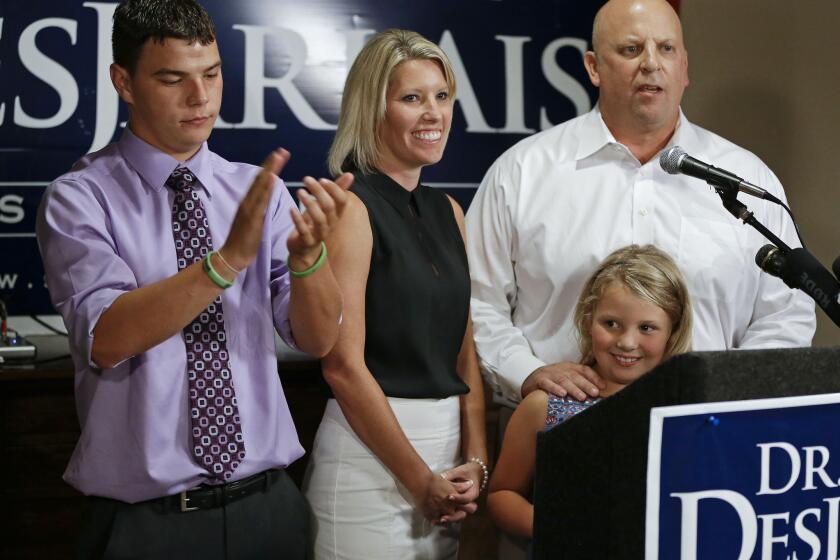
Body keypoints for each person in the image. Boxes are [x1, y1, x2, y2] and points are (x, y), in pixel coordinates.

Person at [35, 0, 351, 557]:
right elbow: (107, 337)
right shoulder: (80, 197)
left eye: (211, 75)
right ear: (123, 82)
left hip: (268, 509)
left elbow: (318, 338)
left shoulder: (258, 191)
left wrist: (310, 262)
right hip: (146, 525)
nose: (199, 98)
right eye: (172, 79)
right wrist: (225, 261)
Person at [465, 0, 815, 409]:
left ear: (684, 67)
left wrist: (725, 391)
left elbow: (785, 314)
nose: (651, 64)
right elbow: (476, 302)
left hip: (708, 434)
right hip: (560, 431)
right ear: (594, 67)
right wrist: (525, 372)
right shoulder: (523, 171)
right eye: (631, 50)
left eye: (666, 49)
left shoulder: (747, 180)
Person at [301, 29, 488, 559]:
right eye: (411, 98)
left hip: (447, 460)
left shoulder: (449, 211)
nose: (433, 113)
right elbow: (341, 365)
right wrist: (416, 477)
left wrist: (476, 459)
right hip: (369, 465)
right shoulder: (351, 208)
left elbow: (463, 349)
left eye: (441, 96)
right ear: (372, 109)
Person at [487, 244, 693, 541]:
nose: (627, 342)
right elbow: (502, 494)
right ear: (587, 319)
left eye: (647, 328)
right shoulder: (545, 405)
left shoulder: (689, 410)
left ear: (672, 332)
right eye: (611, 324)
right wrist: (562, 530)